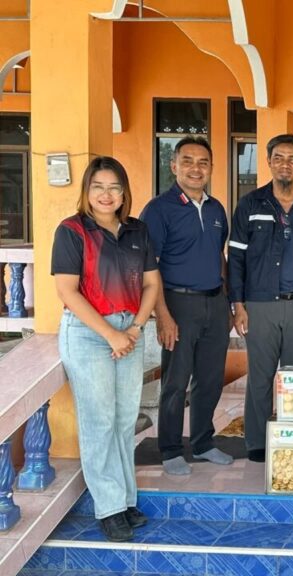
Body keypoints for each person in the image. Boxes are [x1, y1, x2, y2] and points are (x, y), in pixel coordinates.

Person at [53, 157, 161, 541]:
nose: (106, 194)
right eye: (98, 186)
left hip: (129, 329)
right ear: (87, 190)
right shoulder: (71, 231)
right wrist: (111, 335)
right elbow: (67, 291)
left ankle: (126, 499)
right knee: (99, 420)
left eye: (114, 187)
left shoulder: (137, 230)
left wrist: (133, 329)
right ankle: (110, 508)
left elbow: (152, 284)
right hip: (87, 334)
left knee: (124, 419)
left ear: (124, 192)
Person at [141, 136, 234, 476]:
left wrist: (228, 302)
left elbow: (219, 255)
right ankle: (169, 449)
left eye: (203, 162)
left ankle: (203, 442)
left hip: (214, 302)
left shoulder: (216, 209)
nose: (196, 169)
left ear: (211, 168)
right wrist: (162, 315)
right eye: (188, 161)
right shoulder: (158, 210)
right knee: (176, 381)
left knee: (210, 379)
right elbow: (149, 267)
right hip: (177, 303)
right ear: (174, 166)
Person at [229, 134, 293, 461]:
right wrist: (238, 305)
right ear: (268, 162)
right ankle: (257, 442)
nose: (285, 164)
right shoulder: (250, 204)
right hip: (260, 304)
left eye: (292, 159)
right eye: (278, 158)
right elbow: (236, 257)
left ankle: (291, 439)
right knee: (261, 376)